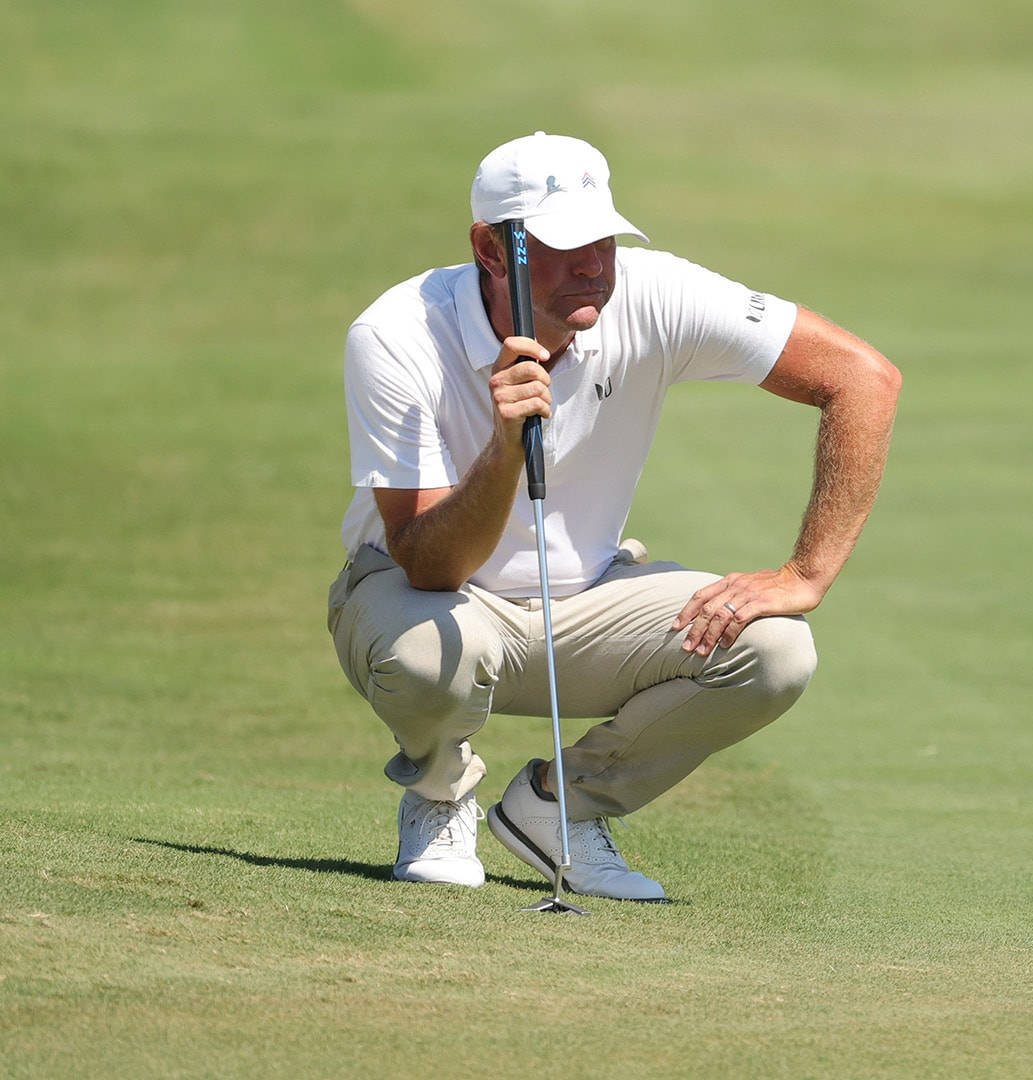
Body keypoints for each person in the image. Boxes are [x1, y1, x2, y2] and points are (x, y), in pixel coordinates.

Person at [326, 132, 900, 901]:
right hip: (425, 601)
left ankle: (560, 807)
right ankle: (440, 797)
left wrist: (807, 573)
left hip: (587, 604)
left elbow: (862, 379)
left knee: (774, 651)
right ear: (492, 253)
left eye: (603, 238)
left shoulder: (655, 293)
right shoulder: (396, 334)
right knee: (430, 660)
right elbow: (431, 563)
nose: (594, 264)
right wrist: (504, 447)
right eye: (563, 248)